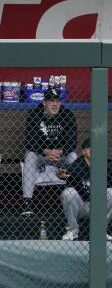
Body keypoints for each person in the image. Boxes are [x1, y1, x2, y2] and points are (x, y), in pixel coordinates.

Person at [57, 139, 112, 241]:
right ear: (83, 151)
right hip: (82, 206)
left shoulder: (105, 165)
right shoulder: (76, 165)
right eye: (90, 147)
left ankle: (100, 230)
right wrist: (61, 175)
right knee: (68, 193)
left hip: (99, 207)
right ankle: (73, 230)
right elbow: (66, 172)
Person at [22, 88, 78, 216]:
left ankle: (77, 198)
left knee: (73, 156)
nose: (55, 104)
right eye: (51, 101)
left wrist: (61, 151)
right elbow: (29, 140)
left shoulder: (67, 114)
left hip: (60, 157)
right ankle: (27, 203)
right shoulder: (34, 114)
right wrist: (45, 151)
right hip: (42, 156)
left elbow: (72, 140)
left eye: (57, 101)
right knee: (30, 156)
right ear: (44, 103)